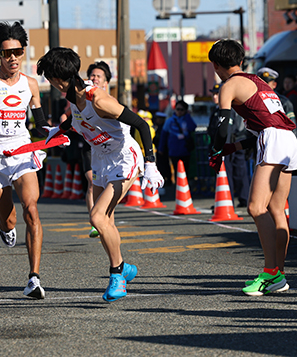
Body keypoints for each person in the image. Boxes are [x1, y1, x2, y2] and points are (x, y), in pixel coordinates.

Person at [36, 47, 164, 302]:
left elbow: (140, 124)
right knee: (106, 222)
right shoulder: (73, 98)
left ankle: (117, 276)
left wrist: (150, 163)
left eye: (49, 78)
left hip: (123, 157)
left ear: (58, 79)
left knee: (97, 216)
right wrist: (57, 131)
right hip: (100, 159)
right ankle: (124, 268)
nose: (49, 83)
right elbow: (76, 120)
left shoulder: (99, 99)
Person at [208, 39, 297, 296]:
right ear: (241, 60)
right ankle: (279, 274)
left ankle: (270, 273)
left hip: (273, 140)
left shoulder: (229, 85)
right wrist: (234, 147)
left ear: (215, 65)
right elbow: (269, 124)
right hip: (289, 140)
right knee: (277, 209)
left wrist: (216, 150)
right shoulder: (259, 82)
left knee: (256, 207)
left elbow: (223, 126)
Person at [0, 21, 51, 299]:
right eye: (7, 53)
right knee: (10, 219)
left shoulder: (30, 84)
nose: (13, 58)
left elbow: (39, 124)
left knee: (31, 209)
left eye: (17, 51)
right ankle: (3, 225)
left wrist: (54, 132)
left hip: (21, 151)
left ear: (23, 51)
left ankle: (34, 279)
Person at [208, 82, 250, 208]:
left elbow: (227, 129)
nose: (215, 97)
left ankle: (232, 199)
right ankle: (233, 198)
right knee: (233, 172)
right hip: (228, 144)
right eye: (213, 94)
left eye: (217, 94)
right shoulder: (216, 110)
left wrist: (221, 148)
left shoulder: (227, 109)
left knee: (232, 172)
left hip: (230, 144)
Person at [85, 61, 112, 238]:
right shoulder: (82, 97)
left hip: (109, 148)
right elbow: (67, 115)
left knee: (106, 185)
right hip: (89, 145)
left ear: (105, 82)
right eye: (92, 75)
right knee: (92, 183)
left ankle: (106, 220)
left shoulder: (110, 101)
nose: (94, 78)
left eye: (98, 76)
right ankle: (94, 221)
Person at [159, 100, 197, 175]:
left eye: (182, 110)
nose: (179, 111)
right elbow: (163, 136)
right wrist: (161, 149)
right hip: (174, 151)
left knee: (185, 171)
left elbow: (192, 127)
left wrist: (187, 116)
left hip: (185, 150)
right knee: (177, 171)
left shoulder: (187, 120)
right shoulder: (169, 121)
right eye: (177, 109)